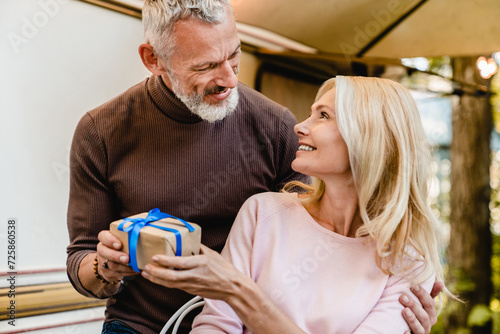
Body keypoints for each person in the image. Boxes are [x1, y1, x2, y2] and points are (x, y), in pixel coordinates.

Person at [66, 0, 441, 333]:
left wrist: (399, 321)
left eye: (235, 54)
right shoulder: (101, 131)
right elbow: (82, 258)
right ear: (154, 59)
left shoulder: (273, 126)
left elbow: (322, 219)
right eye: (208, 65)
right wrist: (105, 267)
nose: (231, 79)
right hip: (143, 322)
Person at [142, 76, 449, 334]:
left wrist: (238, 289)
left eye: (324, 116)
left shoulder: (409, 262)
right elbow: (215, 326)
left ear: (368, 137)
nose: (300, 126)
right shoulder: (263, 213)